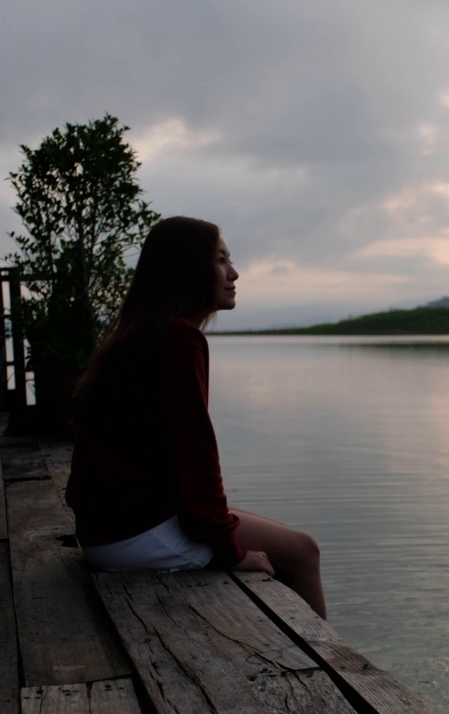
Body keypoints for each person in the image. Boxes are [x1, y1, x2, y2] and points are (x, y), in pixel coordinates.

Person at [66, 216, 327, 618]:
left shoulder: (140, 333)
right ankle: (327, 676)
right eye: (221, 261)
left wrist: (223, 534)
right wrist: (230, 551)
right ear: (187, 268)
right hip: (133, 533)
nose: (234, 273)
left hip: (109, 529)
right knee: (302, 551)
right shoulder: (178, 340)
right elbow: (194, 455)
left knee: (272, 533)